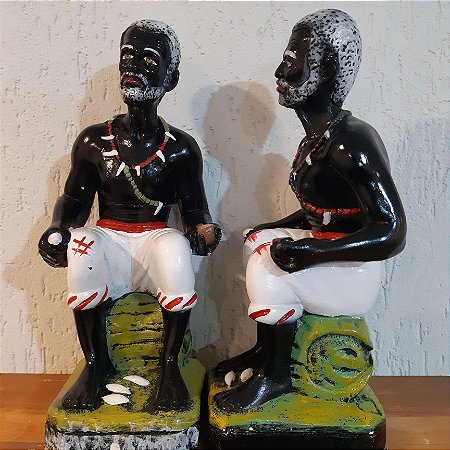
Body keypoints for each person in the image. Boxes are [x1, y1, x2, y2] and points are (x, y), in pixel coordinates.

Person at [214, 9, 406, 411]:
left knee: (265, 266)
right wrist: (275, 228)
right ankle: (266, 352)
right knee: (256, 241)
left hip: (354, 269)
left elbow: (392, 231)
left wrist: (314, 252)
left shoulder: (350, 143)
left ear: (327, 70)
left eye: (292, 60)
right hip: (329, 249)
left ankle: (276, 377)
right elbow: (323, 212)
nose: (280, 71)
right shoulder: (318, 139)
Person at [39, 20, 221, 411]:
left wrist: (203, 231)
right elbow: (74, 200)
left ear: (171, 78)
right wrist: (58, 228)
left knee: (175, 250)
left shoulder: (181, 149)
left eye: (149, 59)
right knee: (83, 248)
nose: (134, 66)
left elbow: (194, 210)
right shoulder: (94, 141)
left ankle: (169, 368)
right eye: (127, 56)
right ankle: (95, 365)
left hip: (155, 236)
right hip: (109, 236)